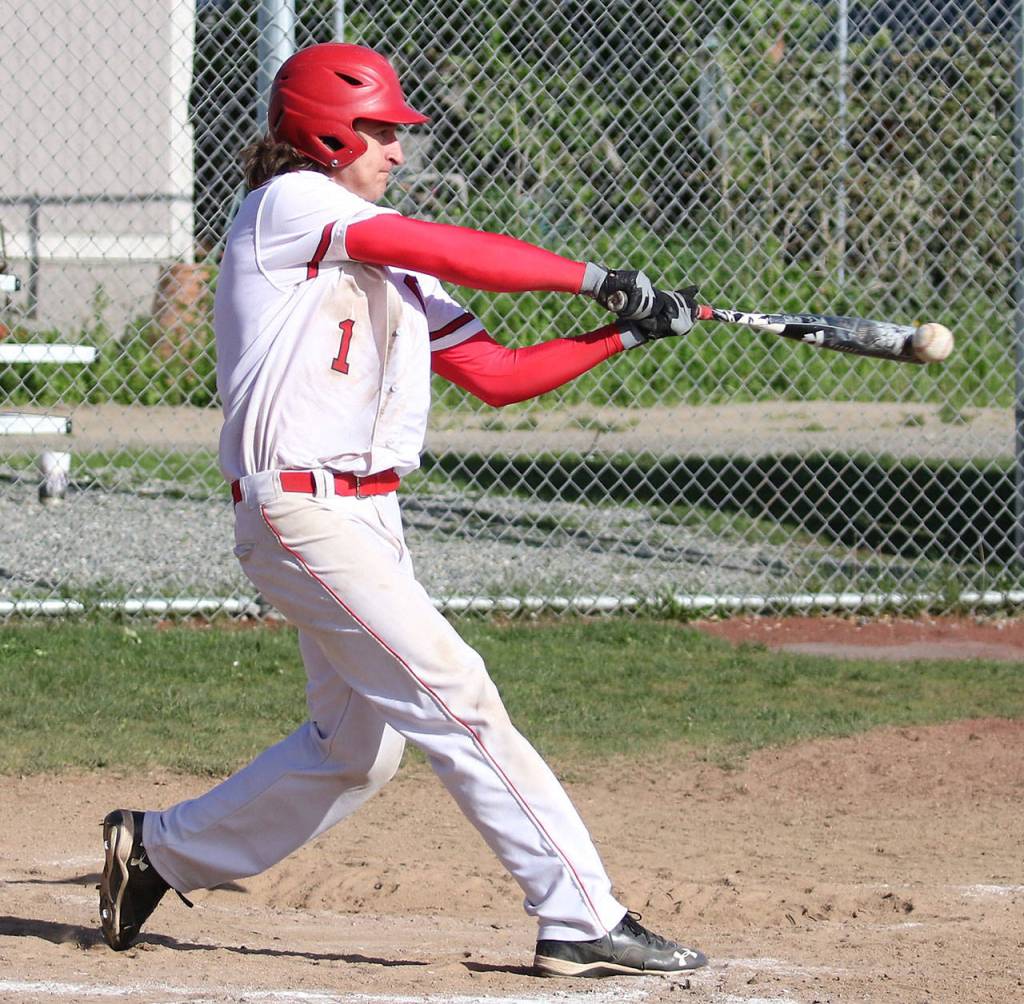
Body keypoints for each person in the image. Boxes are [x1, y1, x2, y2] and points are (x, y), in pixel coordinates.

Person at [98, 42, 705, 979]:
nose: (399, 150)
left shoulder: (390, 260)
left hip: (369, 521)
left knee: (355, 754)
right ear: (327, 129)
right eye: (383, 131)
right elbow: (440, 244)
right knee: (458, 694)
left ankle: (161, 850)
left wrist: (619, 330)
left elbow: (498, 375)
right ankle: (579, 911)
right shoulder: (292, 206)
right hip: (300, 510)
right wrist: (591, 275)